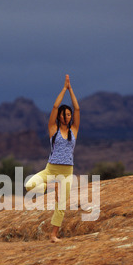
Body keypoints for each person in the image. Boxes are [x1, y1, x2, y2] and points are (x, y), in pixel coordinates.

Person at [25, 74, 80, 242]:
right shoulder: (53, 129)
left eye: (68, 114)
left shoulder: (74, 130)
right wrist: (64, 89)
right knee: (29, 185)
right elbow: (55, 107)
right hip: (51, 170)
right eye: (64, 114)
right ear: (59, 117)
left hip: (66, 172)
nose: (66, 116)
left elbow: (77, 109)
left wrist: (71, 91)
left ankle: (53, 235)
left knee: (61, 205)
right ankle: (52, 187)